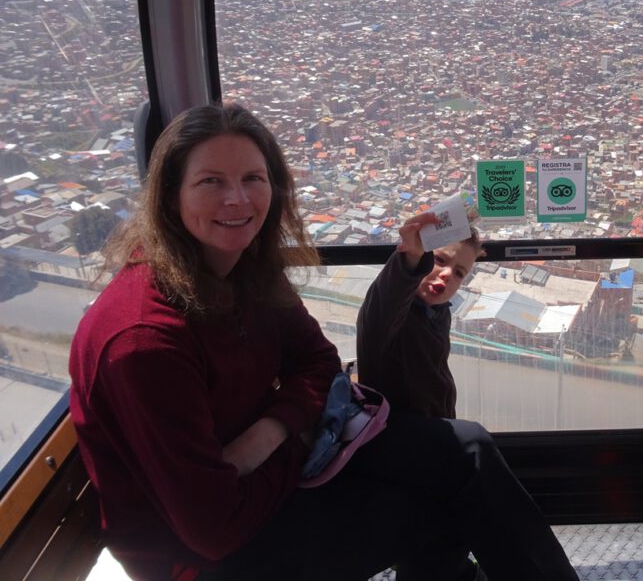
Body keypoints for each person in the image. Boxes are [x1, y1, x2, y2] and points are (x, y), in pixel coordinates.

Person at [68, 103, 580, 581]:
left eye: (252, 178)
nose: (237, 199)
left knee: (467, 448)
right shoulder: (143, 340)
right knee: (449, 499)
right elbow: (212, 526)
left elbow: (318, 361)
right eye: (210, 182)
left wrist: (272, 431)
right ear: (169, 196)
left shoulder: (243, 272)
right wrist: (297, 429)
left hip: (274, 472)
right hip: (205, 556)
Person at [356, 212, 485, 580]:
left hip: (428, 445)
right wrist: (411, 259)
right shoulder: (387, 318)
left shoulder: (434, 314)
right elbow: (386, 299)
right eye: (440, 260)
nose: (446, 274)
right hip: (399, 448)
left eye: (460, 272)